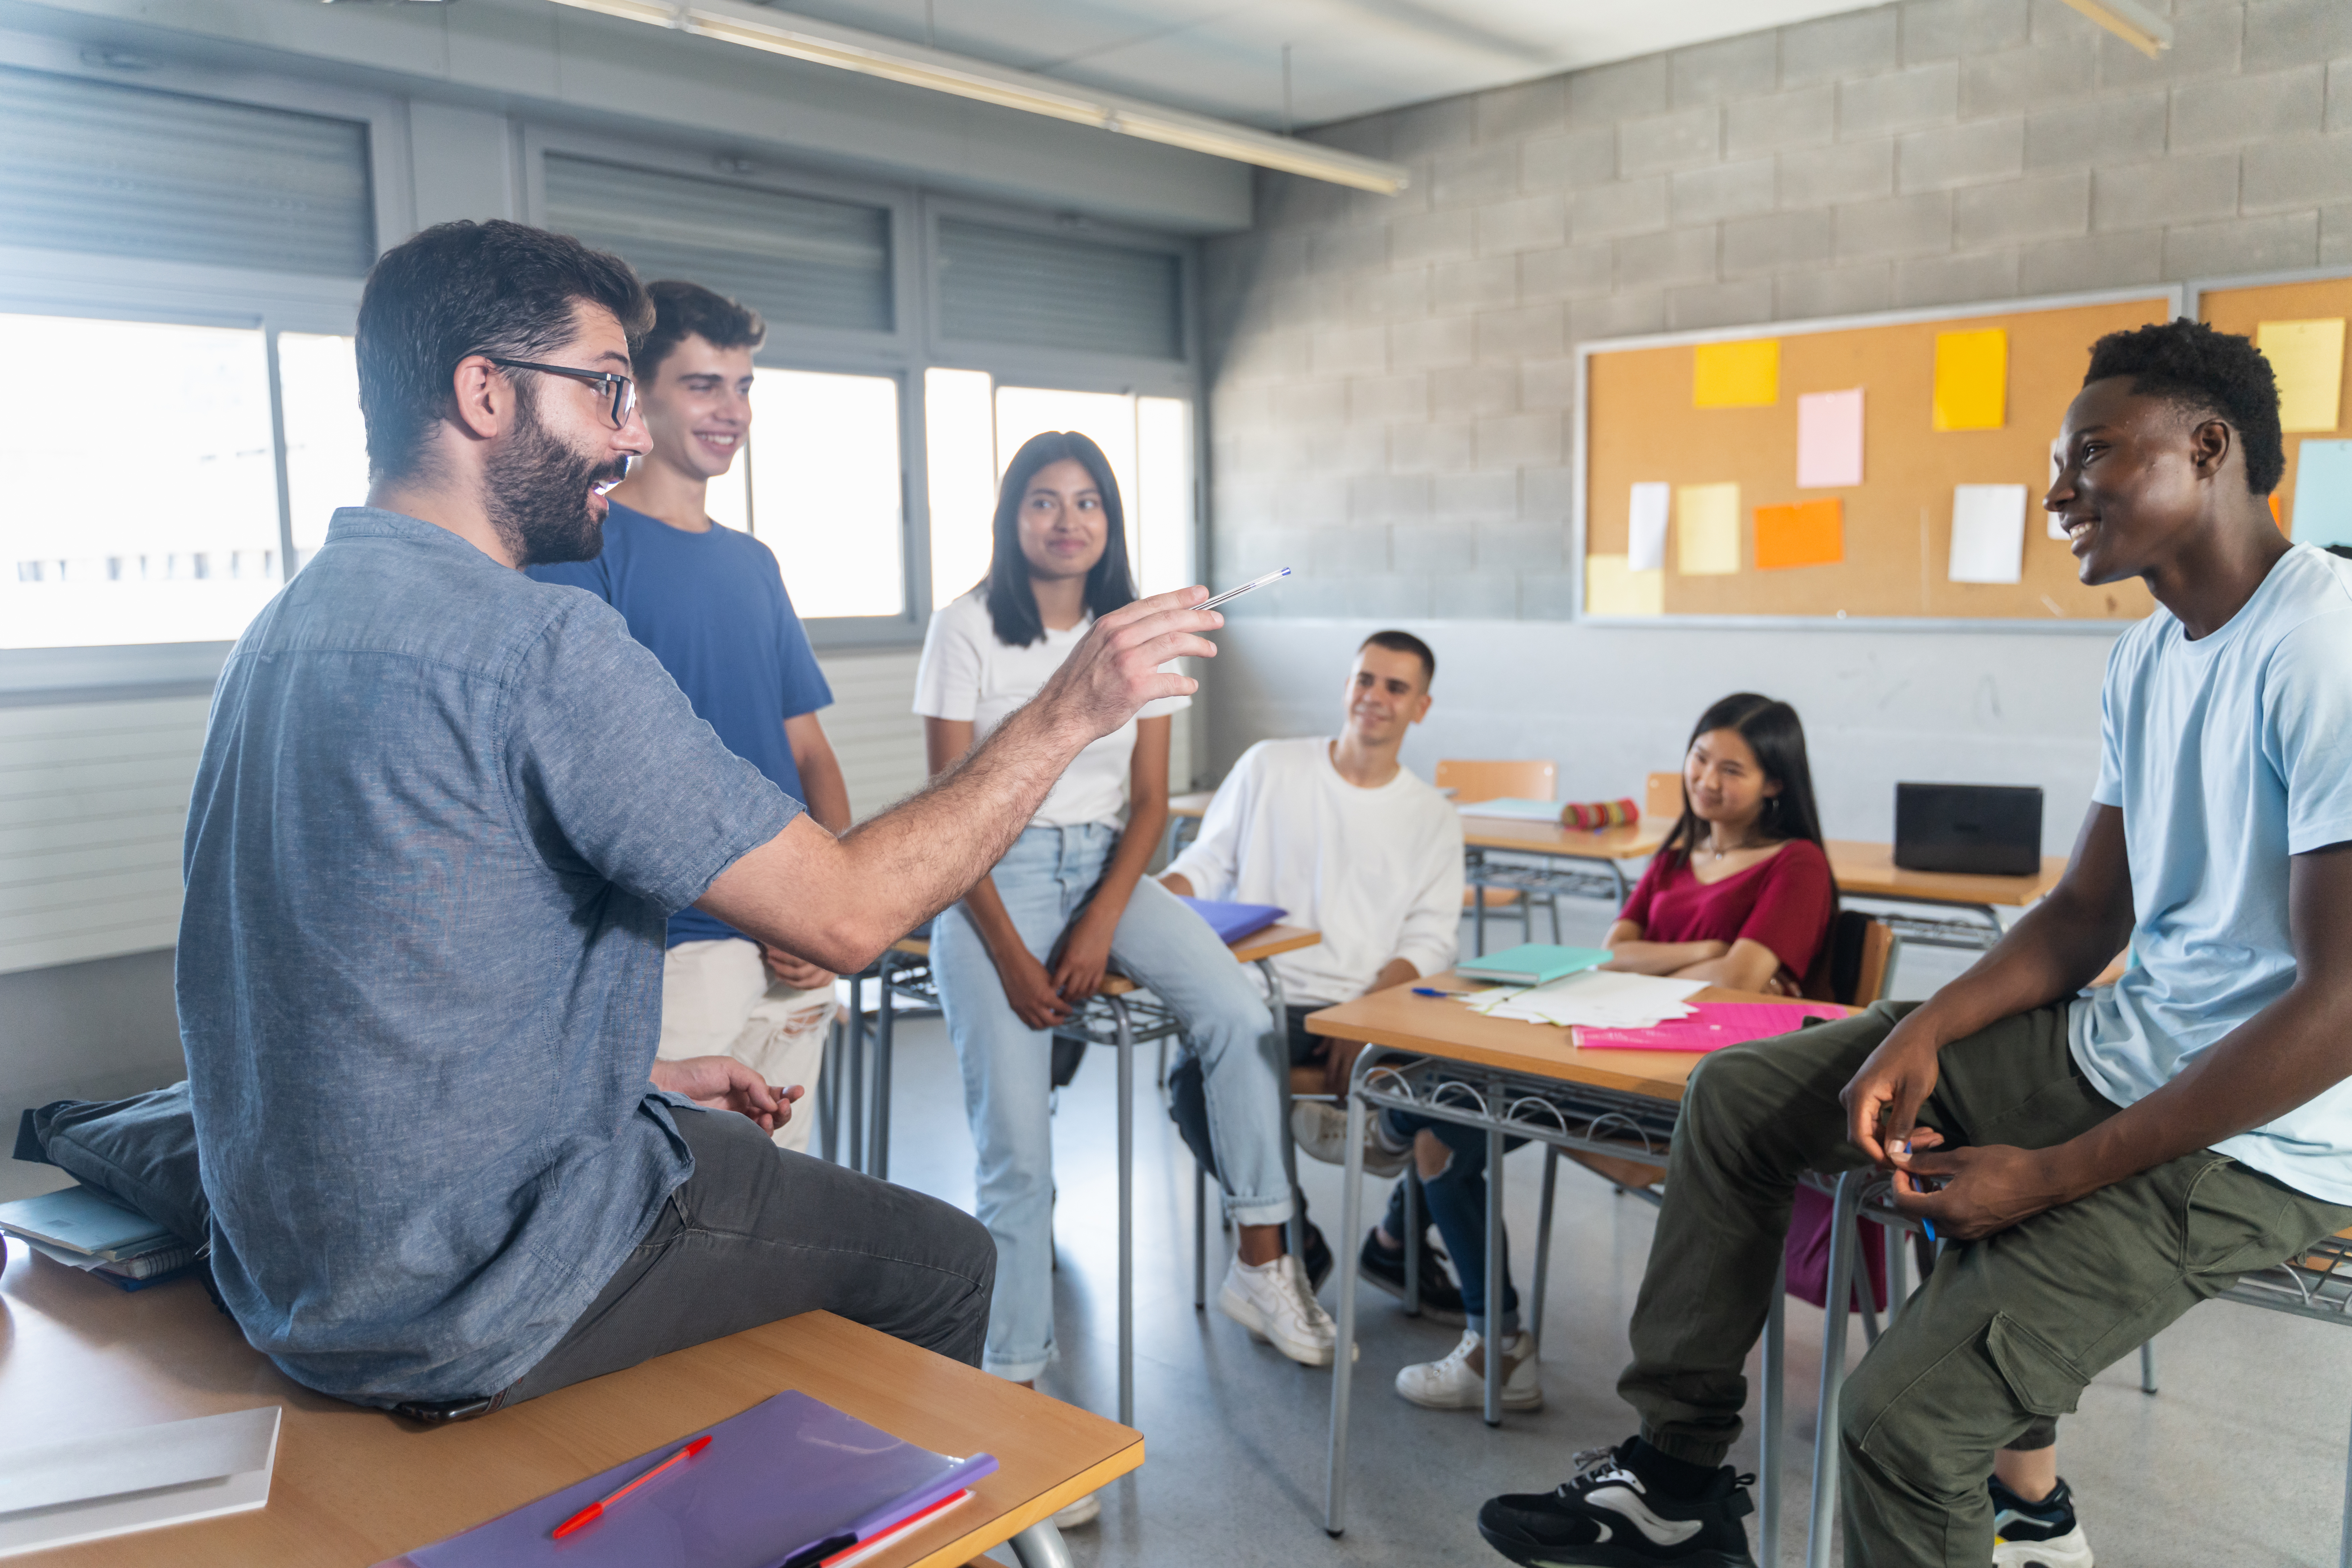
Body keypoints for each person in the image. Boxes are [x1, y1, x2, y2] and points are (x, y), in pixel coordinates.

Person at [176, 220, 1224, 1417]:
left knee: (730, 1160)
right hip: (470, 1289)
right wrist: (1066, 710)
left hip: (299, 1271)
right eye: (609, 392)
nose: (633, 434)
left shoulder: (281, 629)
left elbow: (370, 971)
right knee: (949, 1264)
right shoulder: (538, 643)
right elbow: (846, 914)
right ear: (482, 392)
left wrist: (627, 1071)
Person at [1474, 317, 2352, 1568]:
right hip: (2121, 1049)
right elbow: (2081, 916)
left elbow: (2337, 1009)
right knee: (1738, 1097)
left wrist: (2049, 1176)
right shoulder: (2145, 656)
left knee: (1900, 1421)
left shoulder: (2324, 643)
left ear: (2206, 448)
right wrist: (1928, 1029)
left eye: (2088, 454)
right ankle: (1671, 1482)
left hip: (2261, 1137)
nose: (2057, 492)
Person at [916, 432, 1334, 1428]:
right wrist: (1016, 959)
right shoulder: (967, 626)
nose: (1068, 522)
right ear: (1013, 517)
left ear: (1112, 521)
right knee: (1018, 1160)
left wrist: (1101, 924)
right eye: (1045, 502)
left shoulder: (1134, 632)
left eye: (1089, 501)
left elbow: (1150, 805)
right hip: (989, 881)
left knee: (1241, 1013)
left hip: (1108, 868)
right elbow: (949, 808)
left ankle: (1261, 1258)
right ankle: (1015, 1401)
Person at [528, 280, 845, 1154]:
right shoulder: (580, 554)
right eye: (704, 384)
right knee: (685, 1221)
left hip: (789, 950)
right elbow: (596, 776)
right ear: (636, 395)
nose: (732, 410)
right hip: (672, 957)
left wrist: (828, 906)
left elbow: (809, 753)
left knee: (789, 1208)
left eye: (744, 387)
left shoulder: (755, 565)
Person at [1160, 631, 1471, 1335]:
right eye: (1366, 678)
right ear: (1346, 686)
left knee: (1459, 1089)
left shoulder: (1433, 815)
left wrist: (1366, 1017)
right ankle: (1292, 1241)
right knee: (1191, 1086)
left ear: (1420, 707)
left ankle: (1395, 1247)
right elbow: (1207, 863)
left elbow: (1429, 941)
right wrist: (1144, 901)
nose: (1376, 696)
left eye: (1396, 687)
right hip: (1261, 997)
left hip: (1365, 1006)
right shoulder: (1272, 765)